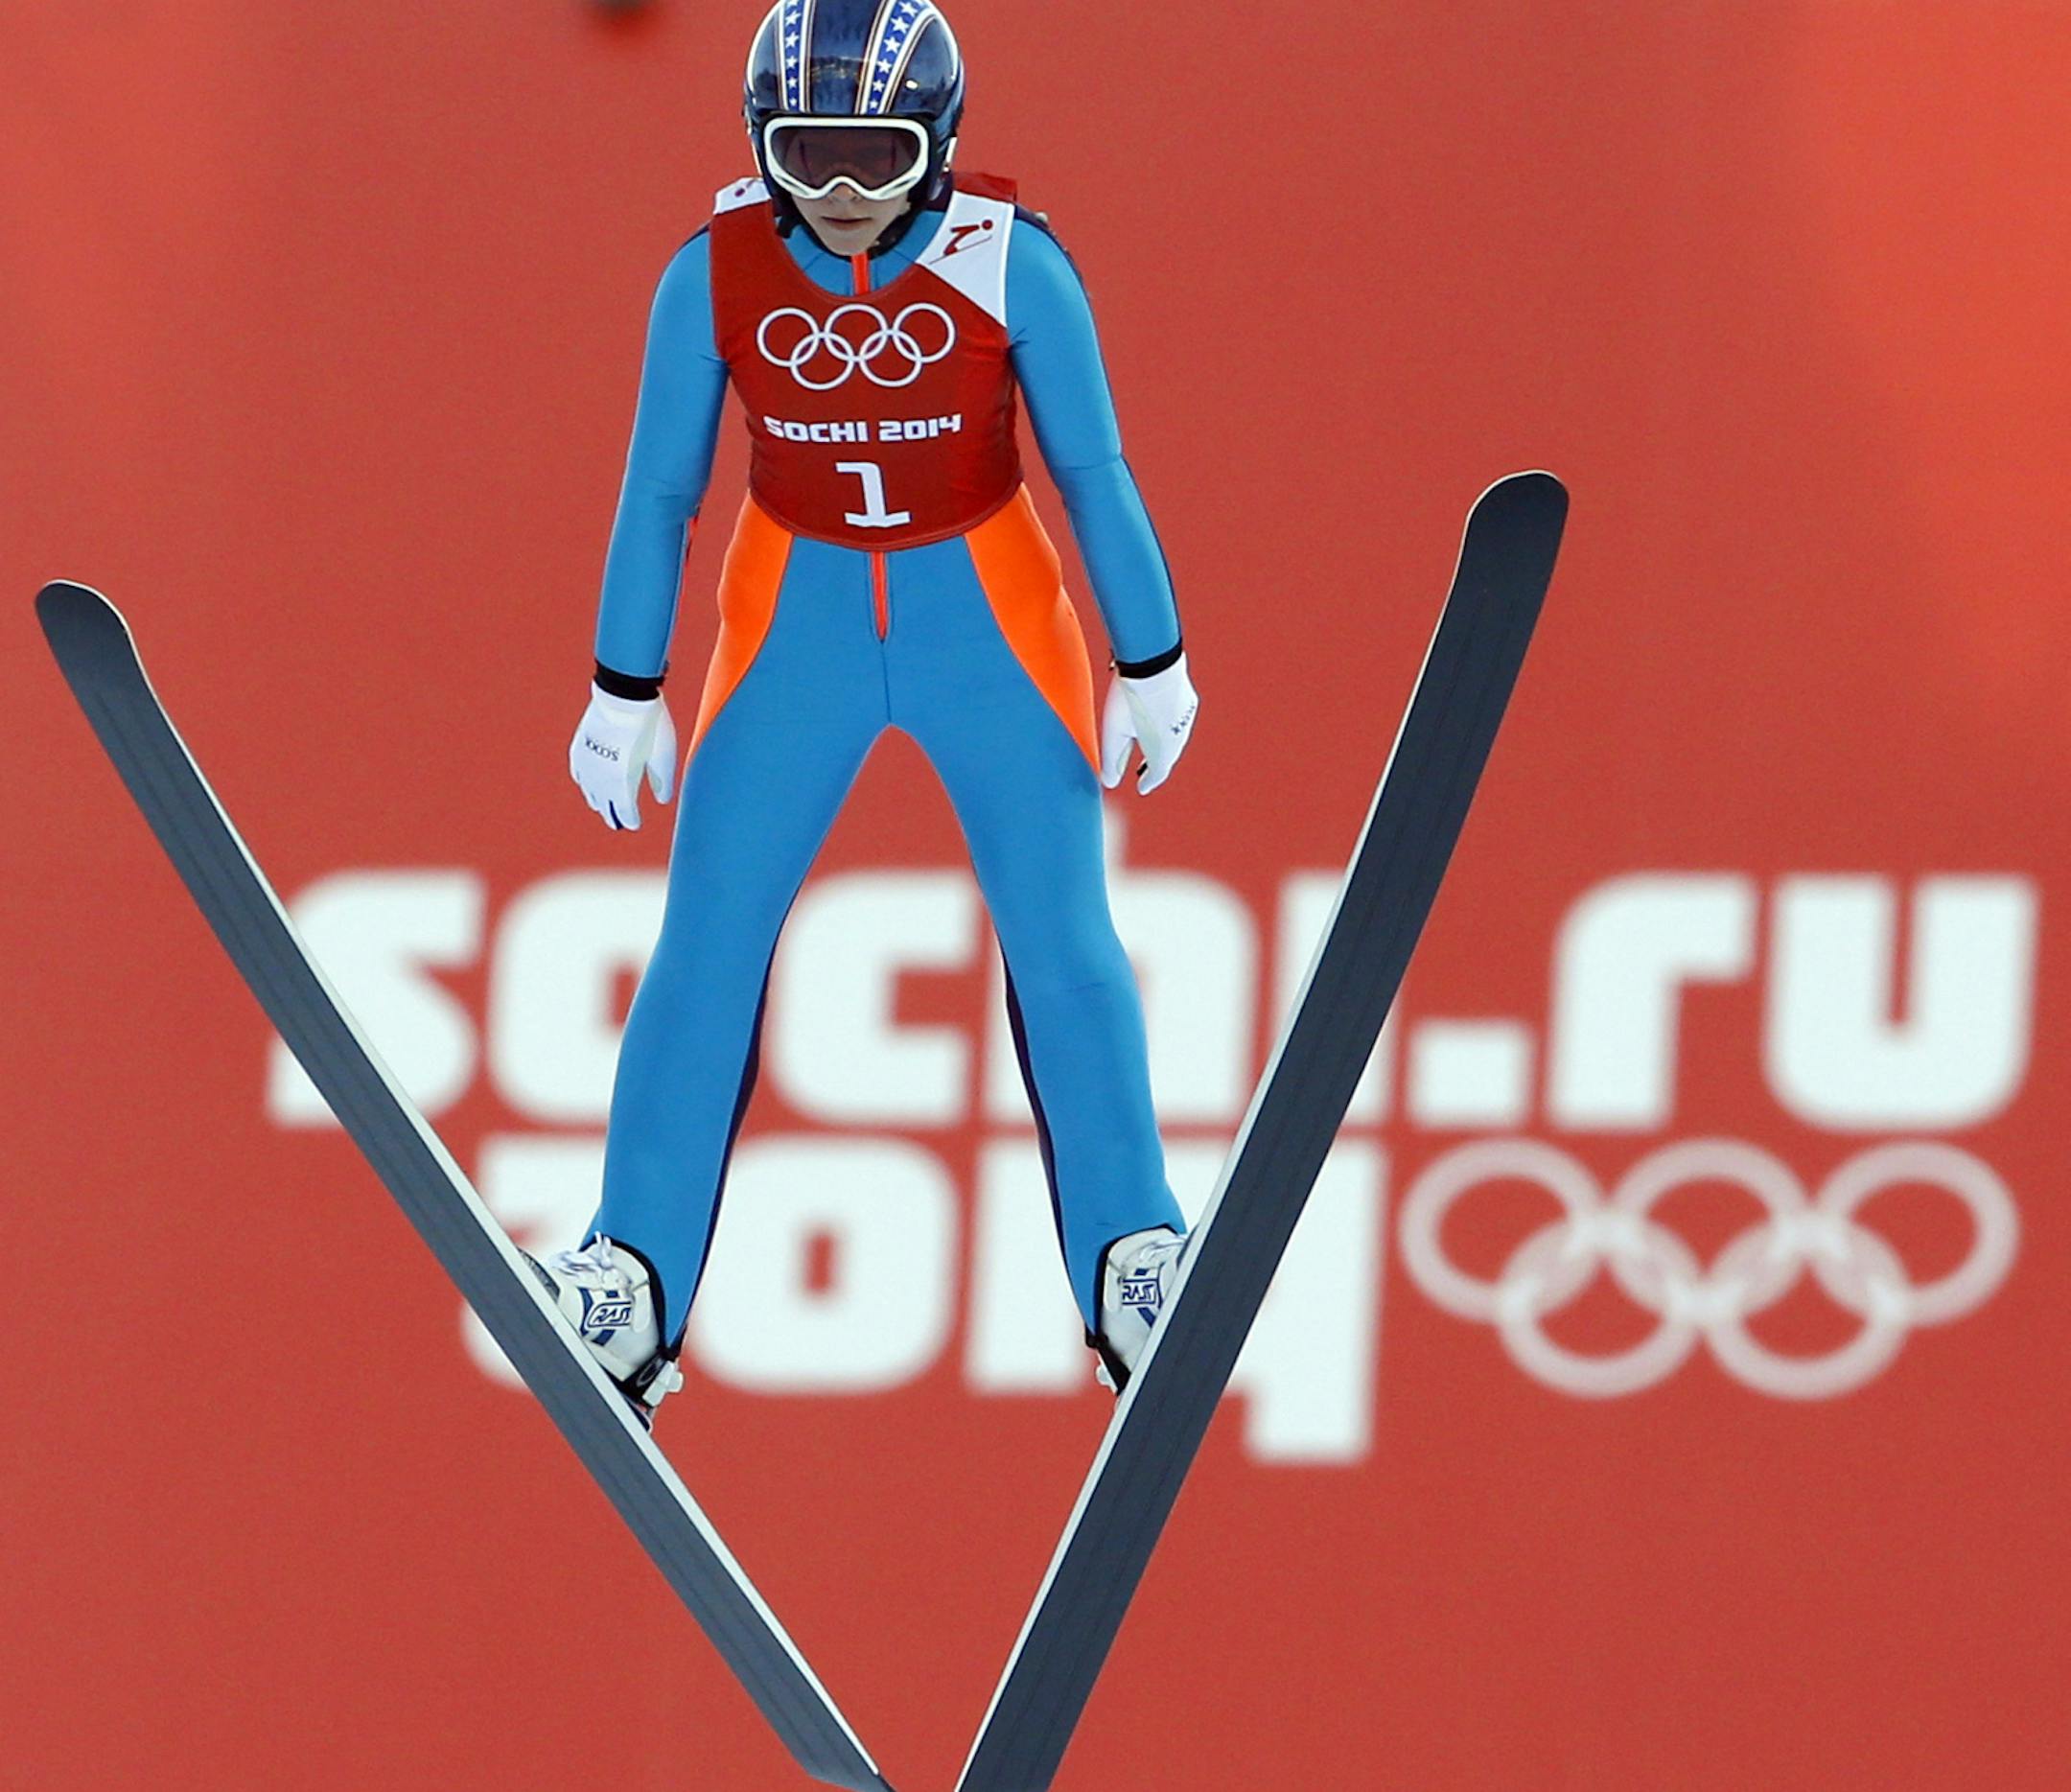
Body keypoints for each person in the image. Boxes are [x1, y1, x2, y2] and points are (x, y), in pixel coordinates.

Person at [530, 0, 1198, 1426]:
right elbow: (661, 490)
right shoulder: (712, 273)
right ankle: (634, 1273)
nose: (841, 193)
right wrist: (621, 686)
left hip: (988, 611)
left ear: (938, 145)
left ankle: (1132, 1254)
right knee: (707, 938)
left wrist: (1154, 655)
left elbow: (1095, 471)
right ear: (761, 144)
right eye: (808, 154)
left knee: (1062, 935)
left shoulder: (1012, 265)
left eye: (875, 155)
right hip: (797, 621)